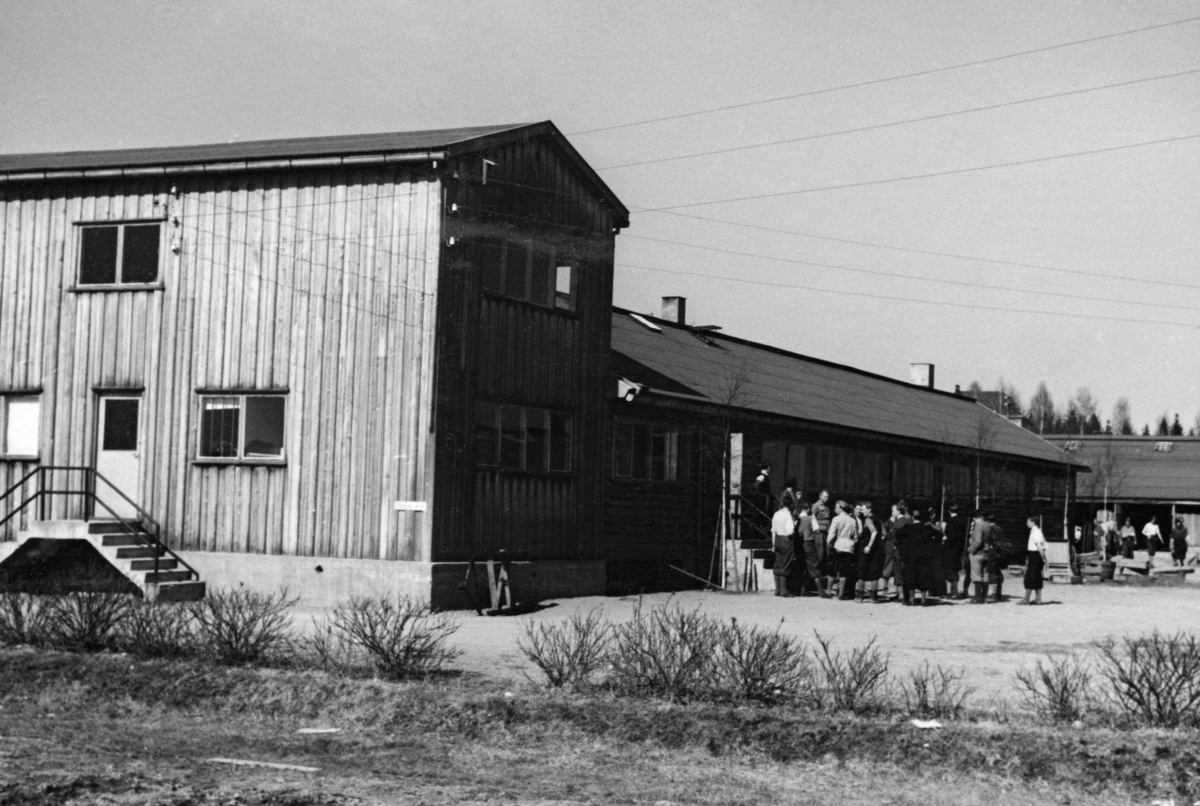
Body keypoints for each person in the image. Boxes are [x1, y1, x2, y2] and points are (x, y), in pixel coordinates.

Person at [896, 507, 939, 605]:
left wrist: (903, 545)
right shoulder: (927, 528)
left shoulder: (907, 527)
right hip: (924, 556)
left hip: (910, 556)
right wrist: (931, 544)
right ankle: (923, 600)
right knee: (923, 577)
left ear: (912, 517)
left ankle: (911, 599)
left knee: (910, 577)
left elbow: (897, 535)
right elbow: (939, 535)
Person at [828, 500, 860, 600]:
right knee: (844, 571)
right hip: (848, 547)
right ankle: (841, 593)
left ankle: (829, 591)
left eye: (836, 508)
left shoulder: (836, 519)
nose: (835, 509)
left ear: (841, 508)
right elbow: (856, 536)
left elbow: (832, 534)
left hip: (838, 545)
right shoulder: (852, 520)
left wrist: (829, 544)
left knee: (832, 570)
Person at [797, 501, 829, 598]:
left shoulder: (797, 518)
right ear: (808, 509)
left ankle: (802, 590)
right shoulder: (811, 518)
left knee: (804, 567)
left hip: (799, 545)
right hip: (809, 543)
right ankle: (821, 591)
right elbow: (817, 529)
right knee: (814, 565)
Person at [854, 501, 884, 603]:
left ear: (869, 509)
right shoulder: (879, 520)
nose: (862, 511)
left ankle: (860, 596)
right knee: (874, 571)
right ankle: (874, 597)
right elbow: (883, 533)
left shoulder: (868, 519)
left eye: (863, 509)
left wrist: (869, 545)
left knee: (861, 570)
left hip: (867, 547)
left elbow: (874, 532)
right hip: (877, 548)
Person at [1018, 516, 1048, 605]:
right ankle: (1038, 599)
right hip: (1033, 555)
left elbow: (1039, 546)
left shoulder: (1036, 532)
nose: (1027, 523)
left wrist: (1043, 558)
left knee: (1030, 576)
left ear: (1033, 522)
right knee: (1037, 576)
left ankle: (1026, 599)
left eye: (1028, 522)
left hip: (1035, 556)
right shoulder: (1035, 532)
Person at [941, 503, 969, 599]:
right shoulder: (963, 521)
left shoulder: (951, 521)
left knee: (950, 569)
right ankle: (954, 591)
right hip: (959, 548)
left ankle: (954, 591)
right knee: (955, 569)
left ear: (949, 511)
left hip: (951, 548)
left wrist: (945, 539)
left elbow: (951, 536)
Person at [770, 497, 796, 597]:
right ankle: (784, 590)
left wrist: (773, 544)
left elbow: (773, 530)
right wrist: (794, 524)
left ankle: (777, 589)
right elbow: (790, 531)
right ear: (791, 505)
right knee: (785, 563)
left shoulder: (776, 514)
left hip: (777, 539)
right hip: (785, 539)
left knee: (778, 563)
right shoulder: (788, 515)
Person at [967, 510, 992, 604]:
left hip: (977, 553)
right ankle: (984, 597)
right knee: (985, 575)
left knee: (976, 575)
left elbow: (978, 541)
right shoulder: (987, 524)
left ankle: (977, 598)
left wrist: (970, 549)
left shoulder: (978, 525)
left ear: (974, 518)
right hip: (986, 551)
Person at [985, 512, 1006, 603]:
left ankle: (993, 594)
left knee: (992, 572)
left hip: (993, 553)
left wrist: (991, 547)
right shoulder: (999, 528)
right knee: (997, 572)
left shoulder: (991, 529)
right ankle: (998, 594)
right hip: (999, 553)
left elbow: (994, 540)